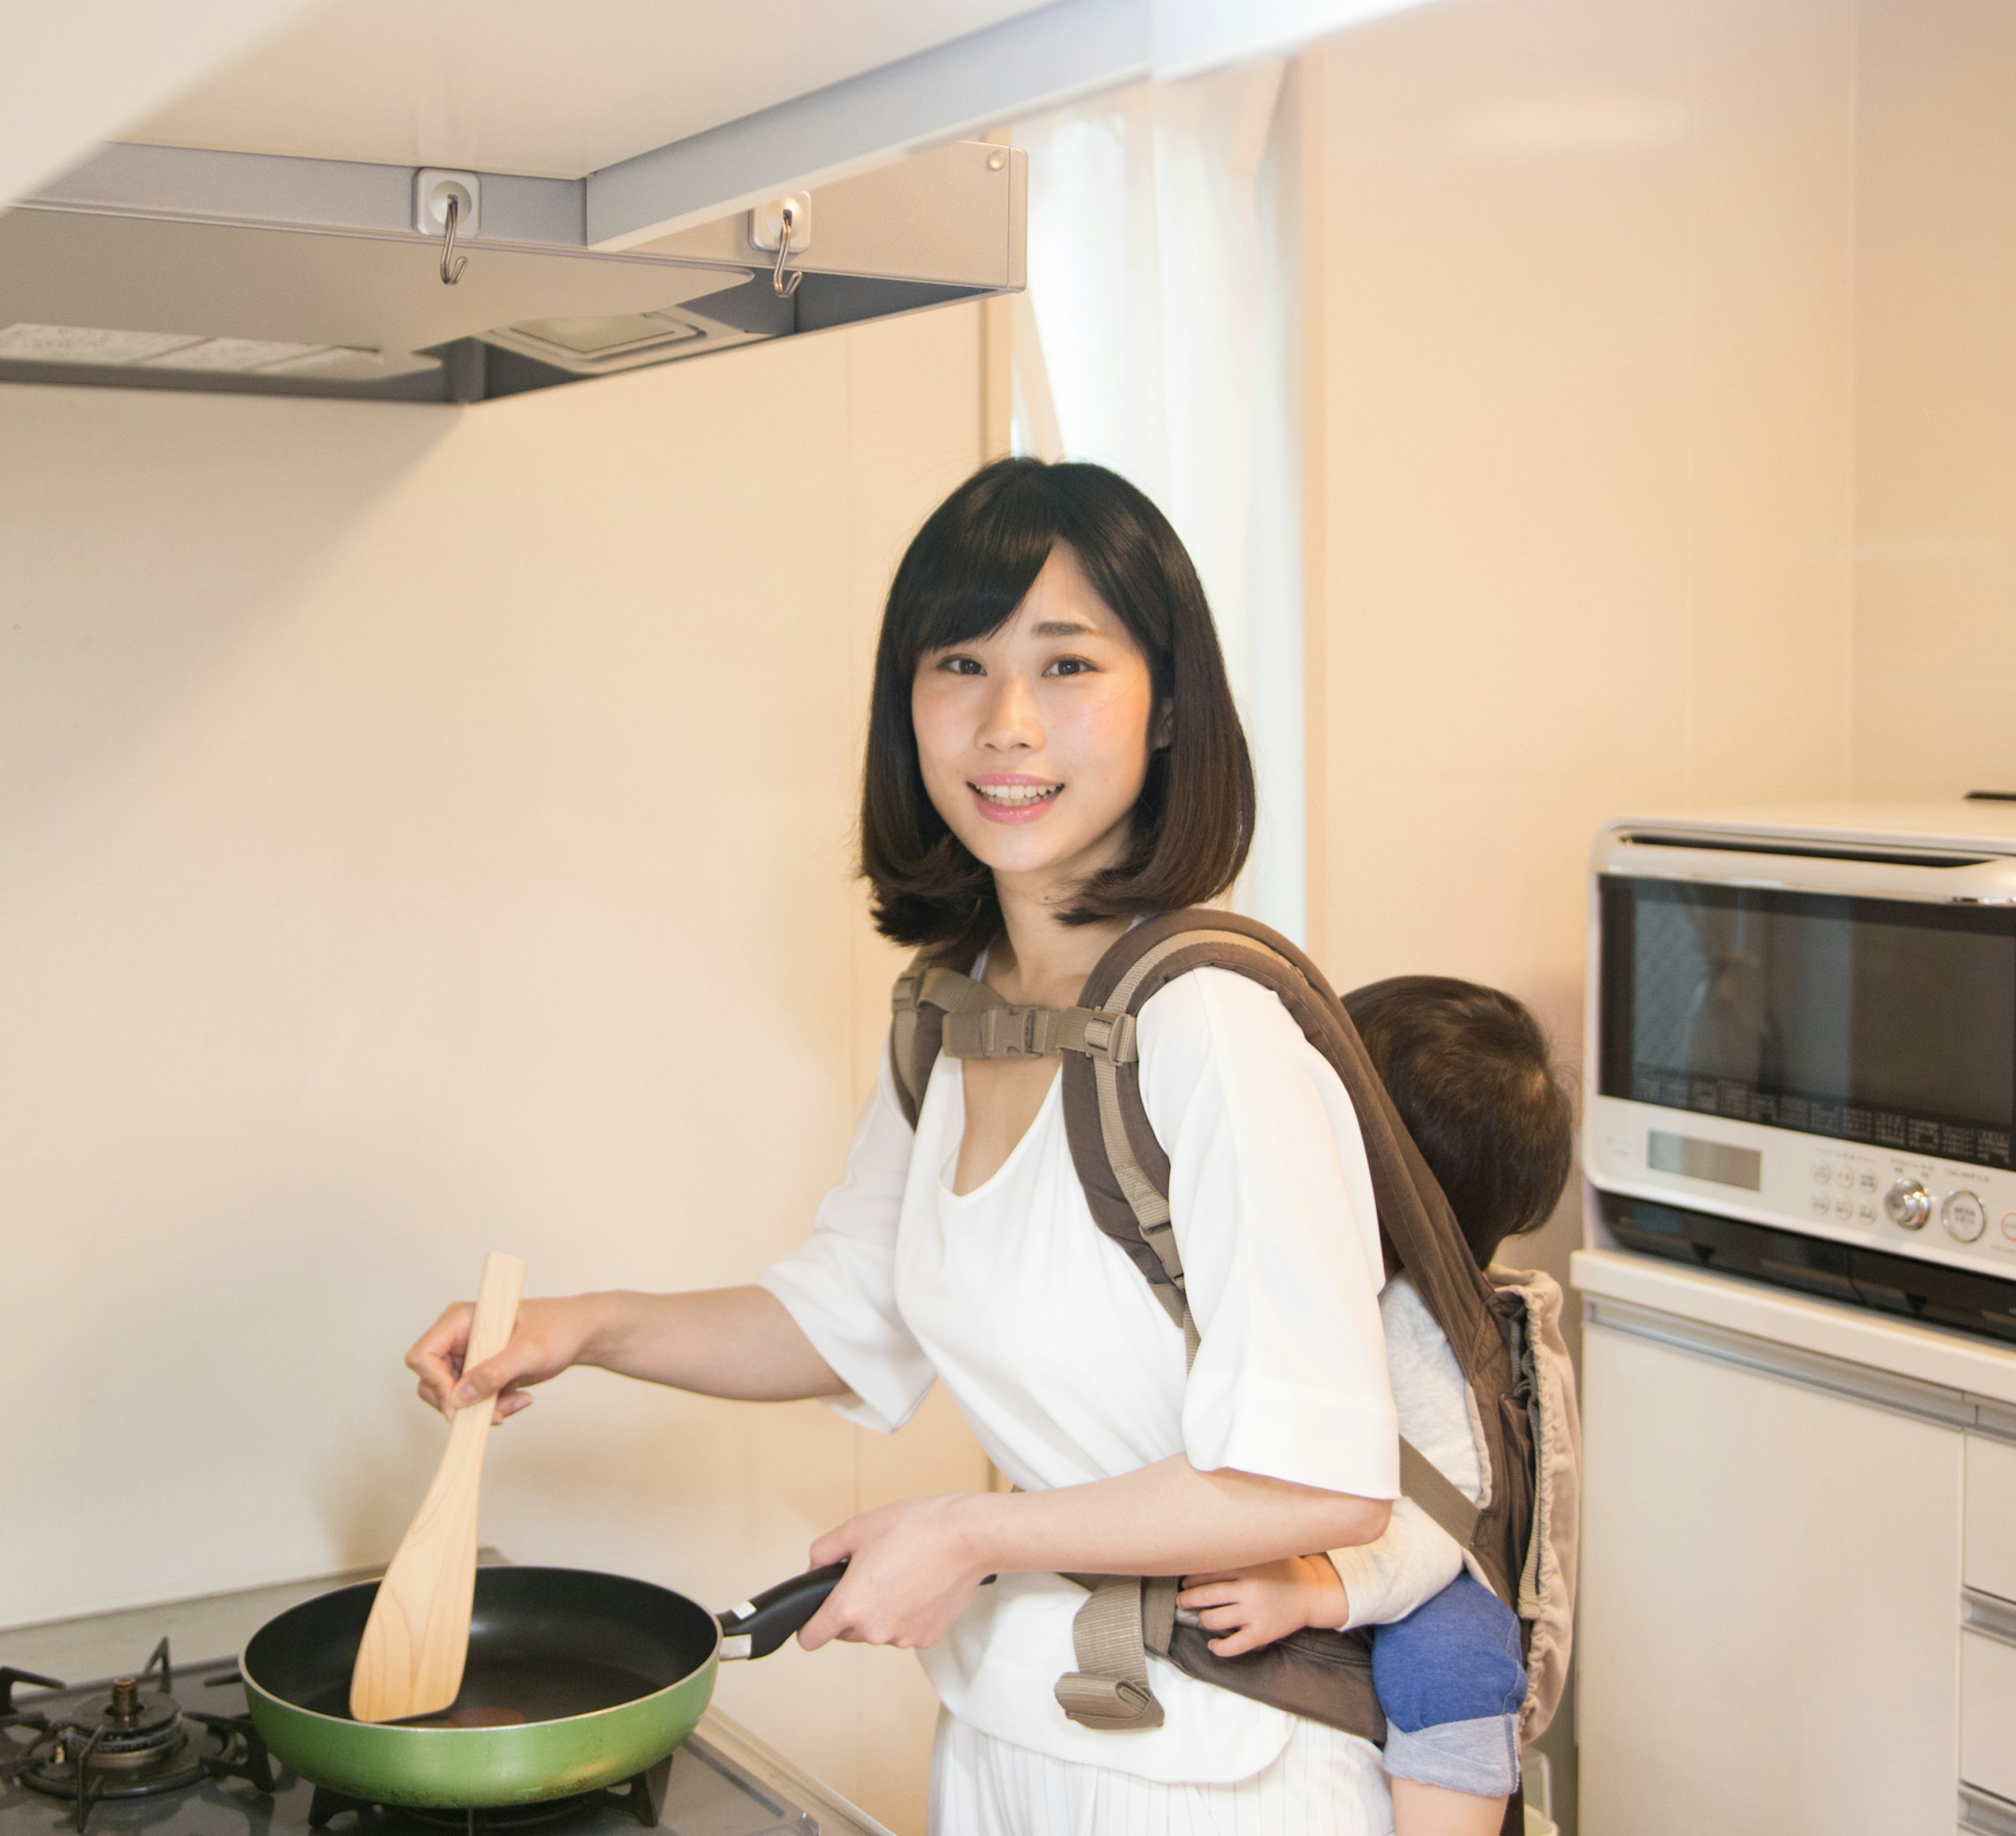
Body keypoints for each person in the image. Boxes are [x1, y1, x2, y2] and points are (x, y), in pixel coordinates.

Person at [405, 457, 1409, 1830]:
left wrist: (972, 1531)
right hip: (1013, 1730)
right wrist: (580, 1328)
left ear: (1168, 707)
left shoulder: (1210, 1030)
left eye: (1067, 666)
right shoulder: (957, 1010)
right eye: (960, 665)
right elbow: (850, 1312)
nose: (1006, 725)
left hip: (1229, 1771)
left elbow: (1319, 1478)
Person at [1177, 975, 1576, 1834]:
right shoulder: (1270, 1247)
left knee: (1462, 1653)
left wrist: (1320, 1591)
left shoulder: (1430, 1330)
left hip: (1409, 1558)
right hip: (1296, 1517)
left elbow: (1440, 1518)